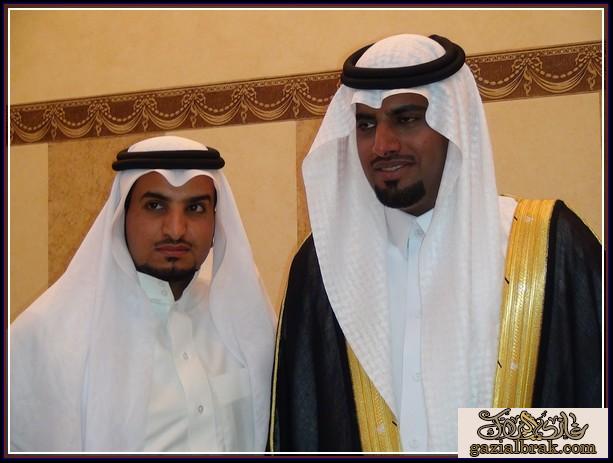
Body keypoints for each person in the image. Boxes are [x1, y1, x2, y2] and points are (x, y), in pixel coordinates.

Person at [269, 34, 602, 452]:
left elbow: (590, 424)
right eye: (366, 124)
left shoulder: (547, 244)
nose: (382, 145)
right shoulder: (322, 265)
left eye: (407, 118)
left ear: (452, 123)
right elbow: (301, 428)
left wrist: (483, 440)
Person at [10, 135, 276, 452]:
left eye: (195, 208)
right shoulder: (48, 336)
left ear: (216, 221)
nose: (175, 229)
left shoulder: (246, 325)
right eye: (155, 206)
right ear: (122, 216)